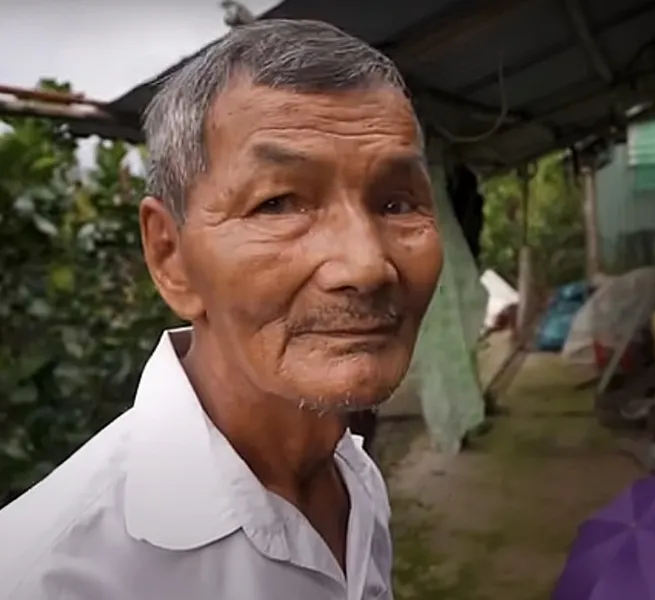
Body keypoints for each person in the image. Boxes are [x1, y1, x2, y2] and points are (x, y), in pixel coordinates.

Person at [0, 19, 442, 600]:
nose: (365, 266)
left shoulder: (353, 477)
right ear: (171, 255)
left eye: (396, 202)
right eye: (279, 204)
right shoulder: (50, 577)